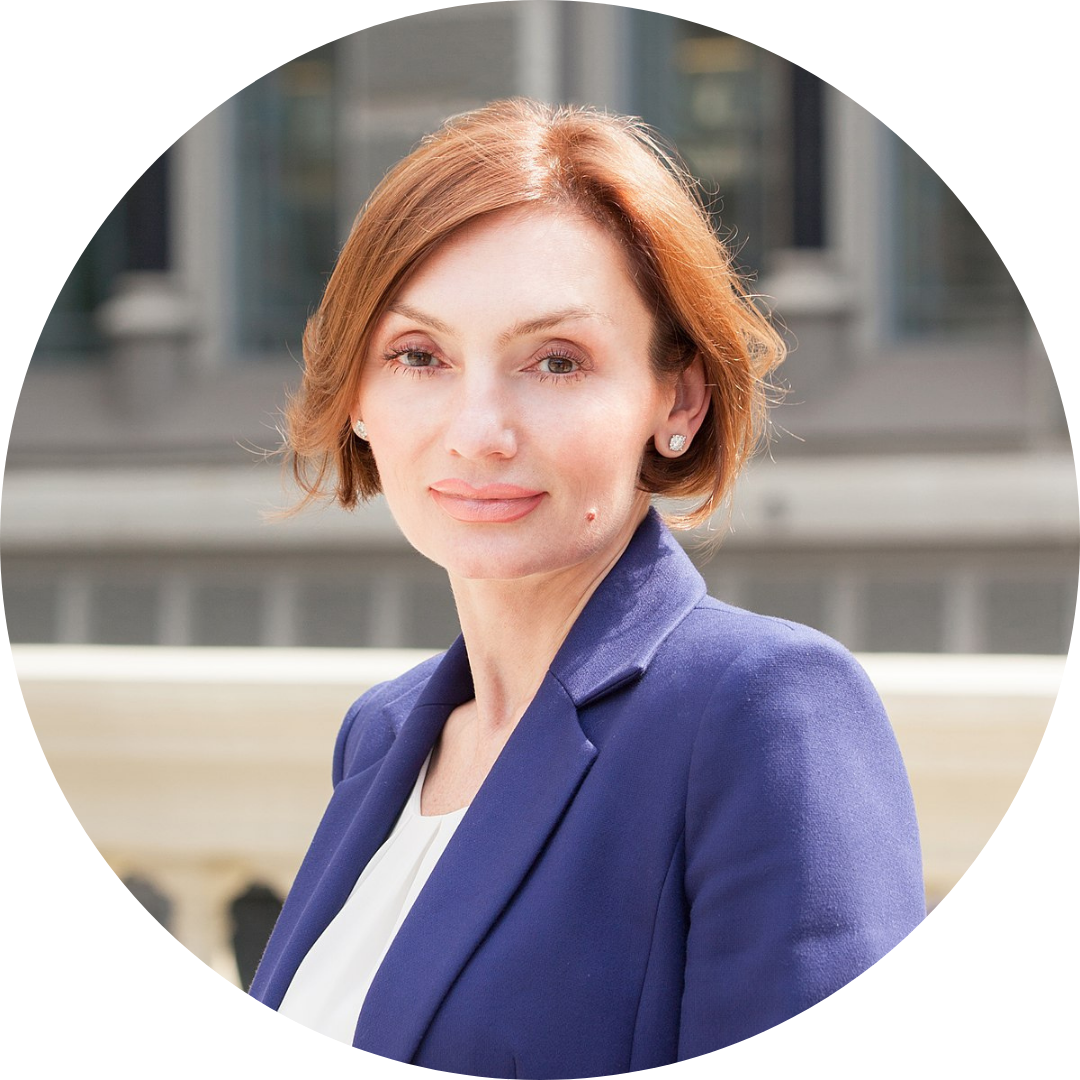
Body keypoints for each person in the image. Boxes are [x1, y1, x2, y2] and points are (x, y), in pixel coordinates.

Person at [248, 99, 925, 1071]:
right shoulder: (383, 734)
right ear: (357, 394)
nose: (479, 432)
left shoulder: (764, 711)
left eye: (556, 362)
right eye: (419, 356)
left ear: (677, 400)